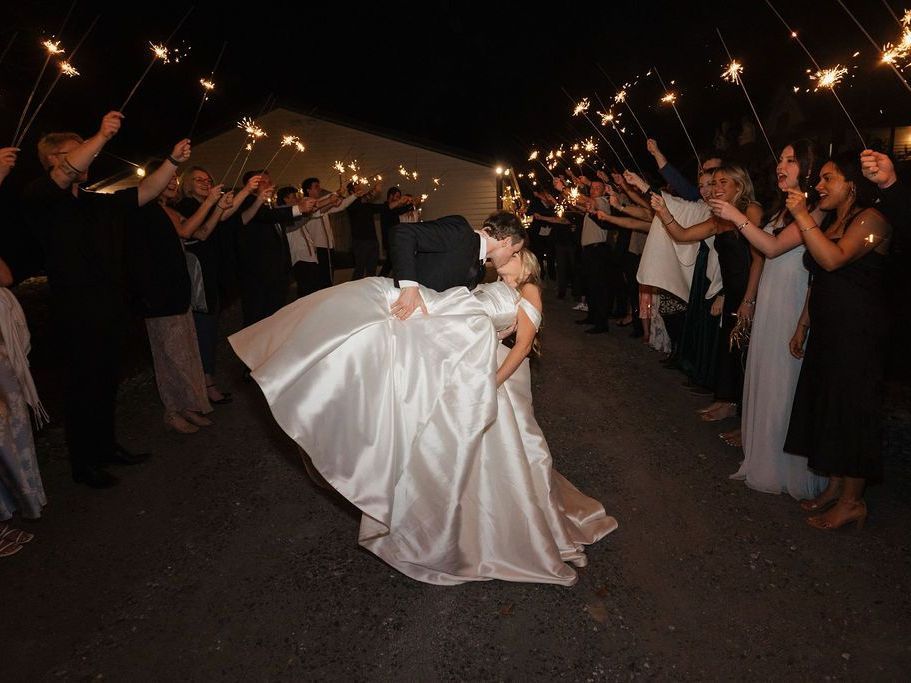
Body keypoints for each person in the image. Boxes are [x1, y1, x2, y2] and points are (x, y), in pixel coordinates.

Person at [228, 245, 616, 585]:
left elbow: (524, 345)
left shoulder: (529, 288)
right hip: (481, 369)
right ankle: (466, 529)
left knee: (518, 453)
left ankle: (526, 529)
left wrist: (491, 382)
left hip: (503, 377)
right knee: (473, 456)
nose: (493, 256)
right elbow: (479, 327)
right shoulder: (493, 283)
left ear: (518, 255)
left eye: (501, 251)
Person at [22, 111, 189, 488]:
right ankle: (84, 464)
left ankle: (106, 447)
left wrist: (174, 161)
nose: (87, 155)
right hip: (76, 311)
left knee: (106, 381)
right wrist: (99, 135)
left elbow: (145, 192)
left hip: (111, 306)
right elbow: (64, 175)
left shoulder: (97, 201)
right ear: (53, 159)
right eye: (75, 151)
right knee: (83, 386)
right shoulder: (41, 198)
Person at [783, 152, 892, 530]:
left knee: (851, 412)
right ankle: (834, 487)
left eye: (828, 178)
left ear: (851, 184)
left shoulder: (873, 220)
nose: (818, 186)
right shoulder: (832, 220)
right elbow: (819, 279)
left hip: (858, 334)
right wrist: (803, 323)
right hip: (828, 330)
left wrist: (800, 216)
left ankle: (852, 501)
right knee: (829, 407)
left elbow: (833, 260)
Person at [651, 164, 764, 422]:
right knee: (731, 350)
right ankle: (728, 402)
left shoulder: (751, 210)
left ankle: (747, 419)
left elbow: (758, 259)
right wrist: (663, 211)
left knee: (747, 354)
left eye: (724, 182)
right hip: (732, 291)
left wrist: (749, 299)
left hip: (750, 290)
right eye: (715, 183)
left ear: (740, 184)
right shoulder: (718, 218)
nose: (717, 187)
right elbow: (682, 235)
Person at [126, 161, 222, 434]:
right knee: (170, 357)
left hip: (178, 291)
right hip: (158, 295)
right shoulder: (146, 210)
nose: (172, 183)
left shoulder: (168, 209)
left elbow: (201, 233)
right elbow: (186, 231)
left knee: (187, 353)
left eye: (174, 180)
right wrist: (210, 202)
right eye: (166, 179)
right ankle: (172, 411)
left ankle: (188, 406)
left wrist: (218, 210)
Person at [388, 210, 525, 320]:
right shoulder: (461, 231)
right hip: (395, 309)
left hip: (422, 324)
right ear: (506, 242)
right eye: (514, 251)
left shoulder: (480, 271)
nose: (511, 257)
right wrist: (409, 288)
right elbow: (403, 233)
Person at [174, 166, 237, 405]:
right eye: (198, 179)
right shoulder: (187, 206)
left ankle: (205, 383)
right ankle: (205, 386)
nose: (205, 182)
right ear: (187, 185)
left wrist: (221, 203)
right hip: (198, 280)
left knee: (209, 333)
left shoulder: (207, 205)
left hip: (212, 277)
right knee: (204, 333)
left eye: (208, 179)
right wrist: (213, 204)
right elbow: (198, 234)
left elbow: (223, 217)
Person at [346, 181, 385, 279]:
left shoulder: (367, 204)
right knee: (360, 270)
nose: (360, 189)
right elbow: (366, 198)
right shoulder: (351, 204)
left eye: (360, 187)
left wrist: (401, 203)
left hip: (372, 241)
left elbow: (384, 207)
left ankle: (369, 292)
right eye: (357, 188)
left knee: (372, 271)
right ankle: (353, 291)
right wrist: (374, 191)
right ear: (351, 192)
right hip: (360, 242)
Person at [378, 187, 416, 276]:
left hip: (394, 240)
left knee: (392, 263)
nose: (399, 199)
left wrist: (411, 205)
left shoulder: (393, 208)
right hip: (390, 239)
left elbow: (401, 210)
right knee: (391, 263)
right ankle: (383, 279)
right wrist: (411, 205)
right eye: (397, 196)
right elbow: (399, 210)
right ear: (391, 196)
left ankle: (387, 280)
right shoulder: (386, 207)